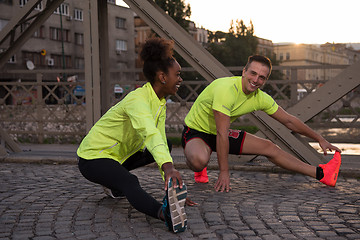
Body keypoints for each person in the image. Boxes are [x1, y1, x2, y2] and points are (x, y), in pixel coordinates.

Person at [77, 37, 195, 233]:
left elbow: (159, 141)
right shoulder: (137, 100)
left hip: (116, 157)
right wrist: (169, 169)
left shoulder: (160, 102)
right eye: (178, 74)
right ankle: (164, 214)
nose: (181, 79)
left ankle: (114, 184)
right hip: (93, 157)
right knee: (131, 182)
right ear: (162, 77)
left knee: (163, 147)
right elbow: (150, 134)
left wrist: (171, 187)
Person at [182, 55, 342, 192]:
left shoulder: (260, 98)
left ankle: (322, 173)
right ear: (244, 72)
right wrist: (224, 172)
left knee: (269, 147)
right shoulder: (226, 89)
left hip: (219, 133)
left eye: (261, 77)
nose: (255, 80)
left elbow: (289, 120)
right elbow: (222, 133)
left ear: (265, 80)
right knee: (198, 160)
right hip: (196, 131)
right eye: (253, 73)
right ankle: (200, 167)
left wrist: (319, 138)